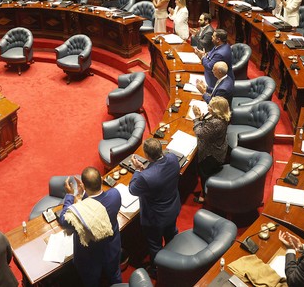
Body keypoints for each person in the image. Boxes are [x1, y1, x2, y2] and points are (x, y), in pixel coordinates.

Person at [58, 167, 122, 286]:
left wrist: (70, 195)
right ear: (102, 180)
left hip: (89, 258)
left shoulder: (78, 212)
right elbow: (96, 204)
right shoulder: (115, 194)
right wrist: (84, 195)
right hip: (111, 248)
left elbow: (63, 220)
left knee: (91, 283)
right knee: (114, 275)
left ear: (83, 186)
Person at [128, 138, 181, 268]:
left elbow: (132, 189)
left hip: (155, 219)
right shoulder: (173, 158)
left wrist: (138, 170)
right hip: (173, 208)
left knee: (155, 245)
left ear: (146, 155)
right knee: (172, 235)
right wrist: (144, 169)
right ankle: (174, 258)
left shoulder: (145, 177)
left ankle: (158, 269)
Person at [191, 96, 230, 204]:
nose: (208, 106)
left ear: (216, 109)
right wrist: (202, 119)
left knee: (204, 174)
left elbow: (200, 133)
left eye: (210, 106)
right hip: (219, 148)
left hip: (210, 155)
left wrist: (197, 118)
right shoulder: (223, 115)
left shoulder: (216, 123)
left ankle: (205, 197)